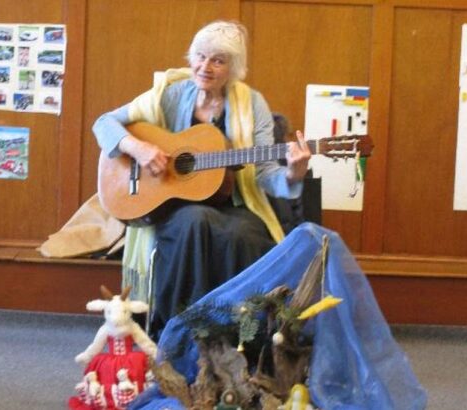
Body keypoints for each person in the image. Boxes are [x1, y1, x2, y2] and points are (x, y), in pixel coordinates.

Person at [92, 20, 311, 337]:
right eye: (200, 56)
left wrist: (293, 173)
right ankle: (183, 332)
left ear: (233, 69)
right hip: (175, 206)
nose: (204, 67)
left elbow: (266, 173)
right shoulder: (169, 94)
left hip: (235, 204)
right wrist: (138, 148)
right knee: (194, 222)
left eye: (217, 60)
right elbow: (103, 123)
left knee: (243, 236)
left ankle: (239, 336)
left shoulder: (252, 103)